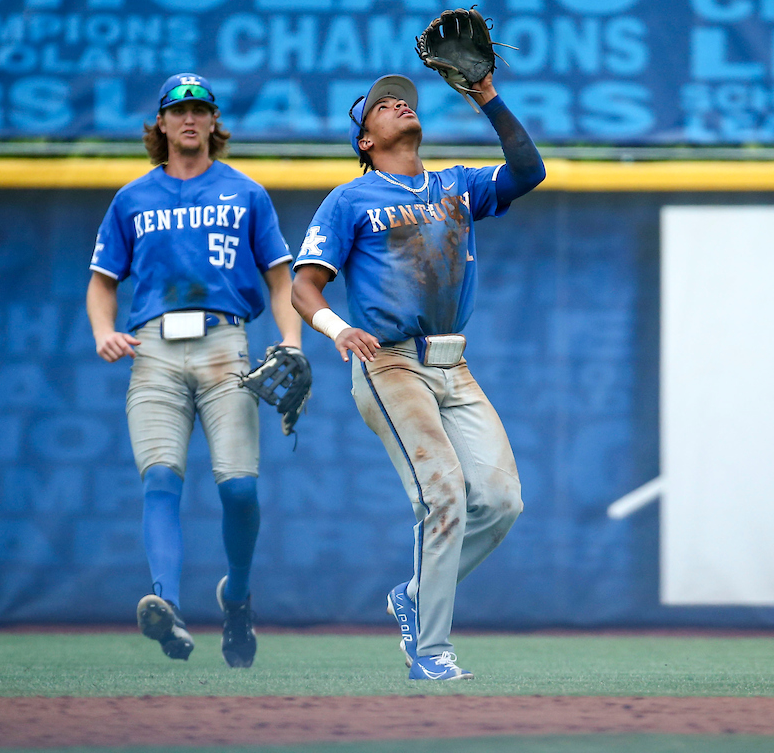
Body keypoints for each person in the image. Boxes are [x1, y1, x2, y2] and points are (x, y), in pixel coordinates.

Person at [290, 71, 545, 680]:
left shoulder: (456, 184)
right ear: (365, 141)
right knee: (444, 494)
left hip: (453, 363)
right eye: (380, 105)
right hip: (390, 362)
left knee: (503, 501)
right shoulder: (350, 200)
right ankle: (430, 650)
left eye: (402, 98)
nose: (398, 102)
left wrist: (486, 95)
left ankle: (412, 595)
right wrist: (335, 328)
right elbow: (304, 285)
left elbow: (528, 171)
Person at [86, 73, 302, 668]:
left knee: (240, 490)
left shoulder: (245, 193)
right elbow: (103, 284)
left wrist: (290, 339)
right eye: (178, 109)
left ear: (214, 123)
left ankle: (236, 597)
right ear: (160, 124)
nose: (189, 117)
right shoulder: (132, 198)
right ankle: (168, 605)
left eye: (200, 108)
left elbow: (280, 280)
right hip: (154, 349)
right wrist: (105, 331)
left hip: (224, 343)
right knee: (161, 478)